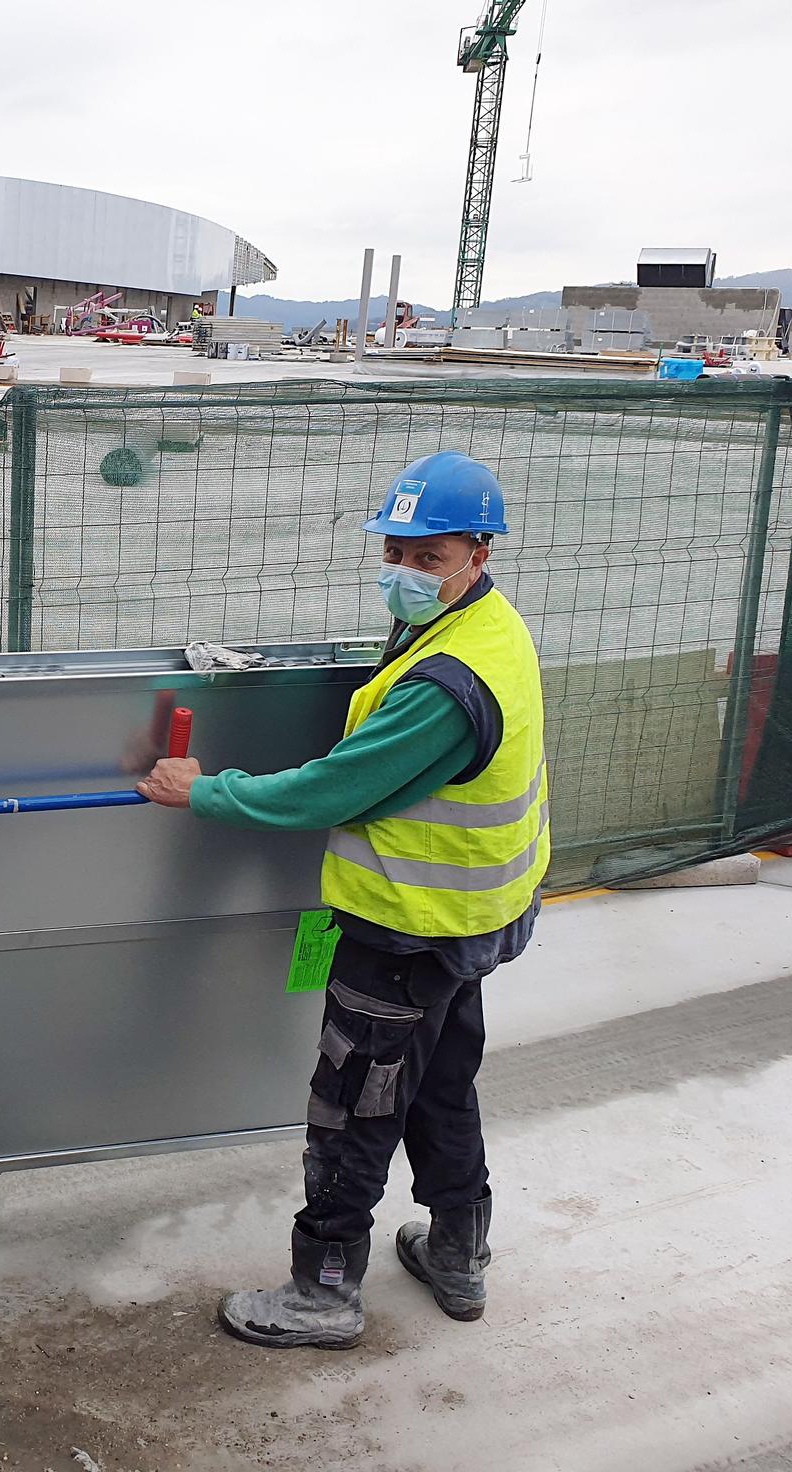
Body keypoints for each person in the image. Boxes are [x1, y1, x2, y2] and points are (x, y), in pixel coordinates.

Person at [138, 451, 548, 1350]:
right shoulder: (488, 627)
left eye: (427, 557)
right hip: (468, 922)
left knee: (355, 1103)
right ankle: (457, 1252)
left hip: (404, 931)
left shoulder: (448, 685)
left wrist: (202, 792)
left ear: (479, 555)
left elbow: (332, 790)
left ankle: (323, 1290)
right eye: (395, 551)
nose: (403, 572)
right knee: (441, 1086)